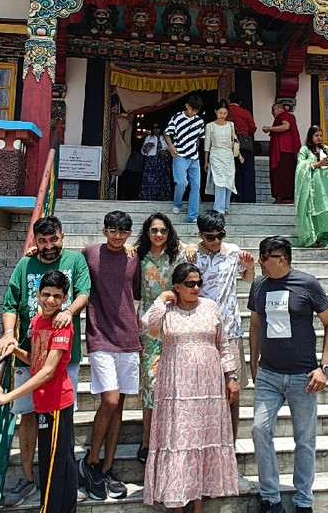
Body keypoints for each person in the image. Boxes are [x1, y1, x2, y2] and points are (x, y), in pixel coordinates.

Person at [0, 216, 90, 508]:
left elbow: (84, 292)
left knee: (60, 427)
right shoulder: (26, 264)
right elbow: (11, 303)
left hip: (60, 358)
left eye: (54, 240)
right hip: (29, 352)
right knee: (29, 416)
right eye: (42, 241)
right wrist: (9, 335)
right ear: (34, 241)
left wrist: (69, 311)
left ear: (63, 236)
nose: (48, 247)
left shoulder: (75, 260)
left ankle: (60, 487)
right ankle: (28, 477)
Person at [248, 236, 328, 513]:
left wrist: (324, 368)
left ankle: (303, 499)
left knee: (304, 440)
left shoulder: (307, 284)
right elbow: (254, 324)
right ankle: (270, 496)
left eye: (264, 256)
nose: (260, 261)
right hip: (269, 374)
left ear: (281, 259)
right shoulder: (259, 286)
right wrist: (253, 361)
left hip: (303, 376)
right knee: (259, 429)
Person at [142, 262, 240, 512]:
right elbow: (147, 325)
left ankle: (198, 504)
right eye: (189, 284)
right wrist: (163, 297)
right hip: (176, 388)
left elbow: (224, 343)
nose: (196, 288)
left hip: (208, 388)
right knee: (178, 442)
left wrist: (231, 376)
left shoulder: (210, 307)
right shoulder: (168, 310)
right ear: (177, 286)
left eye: (199, 283)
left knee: (202, 442)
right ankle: (177, 503)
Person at [0, 271, 79, 513]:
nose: (50, 301)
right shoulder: (37, 322)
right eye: (46, 294)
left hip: (57, 405)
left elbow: (48, 371)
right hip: (43, 403)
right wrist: (14, 349)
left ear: (65, 298)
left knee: (53, 469)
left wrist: (6, 397)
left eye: (57, 296)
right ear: (37, 295)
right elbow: (36, 362)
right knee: (57, 464)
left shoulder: (63, 326)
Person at [79, 211, 141, 501]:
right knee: (110, 399)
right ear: (104, 230)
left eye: (123, 232)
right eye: (113, 231)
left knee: (121, 407)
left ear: (129, 233)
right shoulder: (89, 253)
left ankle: (107, 467)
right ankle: (90, 461)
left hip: (129, 337)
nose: (118, 236)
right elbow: (63, 264)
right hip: (100, 335)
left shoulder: (134, 257)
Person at [185, 210, 254, 438]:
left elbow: (248, 278)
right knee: (201, 390)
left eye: (220, 235)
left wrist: (250, 266)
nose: (215, 241)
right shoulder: (192, 256)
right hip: (200, 332)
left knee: (232, 391)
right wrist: (191, 246)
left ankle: (230, 444)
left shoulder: (233, 252)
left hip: (230, 329)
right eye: (210, 237)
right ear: (200, 235)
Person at [135, 212, 181, 463]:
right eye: (154, 230)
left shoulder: (177, 254)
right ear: (147, 232)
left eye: (163, 230)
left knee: (174, 383)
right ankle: (146, 440)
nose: (159, 235)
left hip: (174, 322)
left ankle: (170, 438)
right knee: (150, 384)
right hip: (148, 326)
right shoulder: (137, 256)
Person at [295, 126, 328, 250]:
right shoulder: (304, 150)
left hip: (326, 186)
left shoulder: (326, 149)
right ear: (310, 137)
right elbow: (300, 167)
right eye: (316, 135)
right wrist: (318, 164)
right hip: (312, 187)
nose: (319, 138)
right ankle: (316, 237)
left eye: (320, 135)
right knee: (315, 211)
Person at [165, 94, 206, 222]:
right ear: (187, 106)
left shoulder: (199, 121)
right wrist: (171, 148)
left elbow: (199, 138)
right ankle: (177, 203)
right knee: (182, 182)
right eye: (192, 109)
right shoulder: (177, 118)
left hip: (194, 157)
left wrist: (195, 149)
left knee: (196, 185)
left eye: (196, 111)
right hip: (180, 155)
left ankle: (192, 215)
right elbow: (167, 133)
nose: (194, 112)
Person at [205, 100, 241, 214]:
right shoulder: (210, 126)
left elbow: (234, 140)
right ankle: (219, 208)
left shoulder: (231, 125)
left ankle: (226, 206)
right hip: (215, 155)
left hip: (228, 156)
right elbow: (207, 145)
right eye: (220, 113)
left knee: (229, 181)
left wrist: (239, 155)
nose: (222, 115)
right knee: (219, 181)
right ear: (215, 112)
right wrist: (206, 161)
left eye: (225, 113)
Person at [262, 102, 300, 204]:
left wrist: (270, 128)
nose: (272, 114)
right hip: (287, 151)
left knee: (283, 174)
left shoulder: (285, 116)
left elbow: (286, 126)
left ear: (279, 109)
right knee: (283, 174)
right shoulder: (288, 116)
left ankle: (283, 197)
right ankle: (283, 197)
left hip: (284, 151)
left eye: (273, 111)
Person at [228, 92, 257, 203]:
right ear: (240, 102)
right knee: (247, 171)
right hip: (244, 144)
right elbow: (252, 128)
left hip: (229, 144)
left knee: (231, 172)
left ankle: (231, 197)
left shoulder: (226, 111)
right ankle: (247, 198)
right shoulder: (245, 112)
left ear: (229, 101)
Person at [139, 123, 173, 201]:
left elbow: (172, 150)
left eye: (157, 128)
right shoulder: (149, 138)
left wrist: (166, 153)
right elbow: (143, 152)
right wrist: (146, 147)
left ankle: (163, 198)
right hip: (151, 162)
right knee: (150, 180)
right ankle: (149, 197)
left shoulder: (165, 138)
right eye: (154, 128)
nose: (156, 129)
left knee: (162, 180)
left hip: (163, 162)